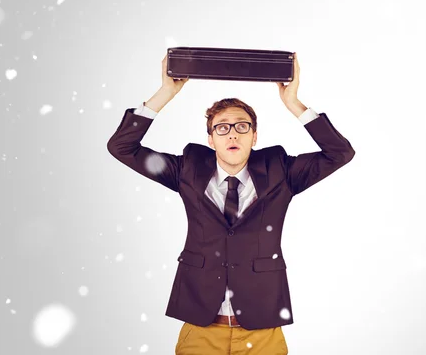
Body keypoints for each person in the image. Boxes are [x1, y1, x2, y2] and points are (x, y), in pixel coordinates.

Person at [107, 52, 355, 354]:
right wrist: (165, 93)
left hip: (262, 327)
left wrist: (294, 104)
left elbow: (339, 154)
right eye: (222, 127)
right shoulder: (187, 169)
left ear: (254, 136)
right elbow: (122, 147)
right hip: (201, 326)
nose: (232, 133)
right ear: (211, 139)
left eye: (242, 126)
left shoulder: (281, 171)